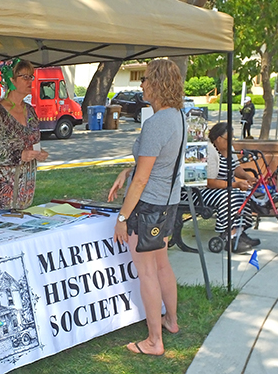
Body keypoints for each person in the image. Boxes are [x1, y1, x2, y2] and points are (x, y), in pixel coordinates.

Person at [107, 59, 185, 356]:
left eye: (146, 79)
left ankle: (154, 341)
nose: (142, 85)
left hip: (148, 205)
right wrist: (127, 171)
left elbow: (142, 180)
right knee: (162, 264)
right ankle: (171, 322)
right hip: (168, 202)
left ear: (157, 84)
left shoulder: (155, 123)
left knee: (148, 271)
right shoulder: (178, 116)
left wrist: (122, 217)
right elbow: (155, 163)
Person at [0, 58, 49, 217]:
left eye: (31, 77)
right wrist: (19, 155)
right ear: (11, 79)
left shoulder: (30, 111)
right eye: (25, 77)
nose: (30, 81)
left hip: (23, 197)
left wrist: (37, 152)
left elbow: (32, 142)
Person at [188, 122, 260, 253]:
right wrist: (234, 185)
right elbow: (208, 182)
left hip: (222, 188)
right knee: (231, 195)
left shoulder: (229, 150)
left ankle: (239, 232)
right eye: (229, 139)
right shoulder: (209, 151)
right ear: (219, 139)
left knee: (246, 194)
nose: (231, 142)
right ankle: (229, 237)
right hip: (201, 192)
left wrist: (247, 177)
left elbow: (236, 168)